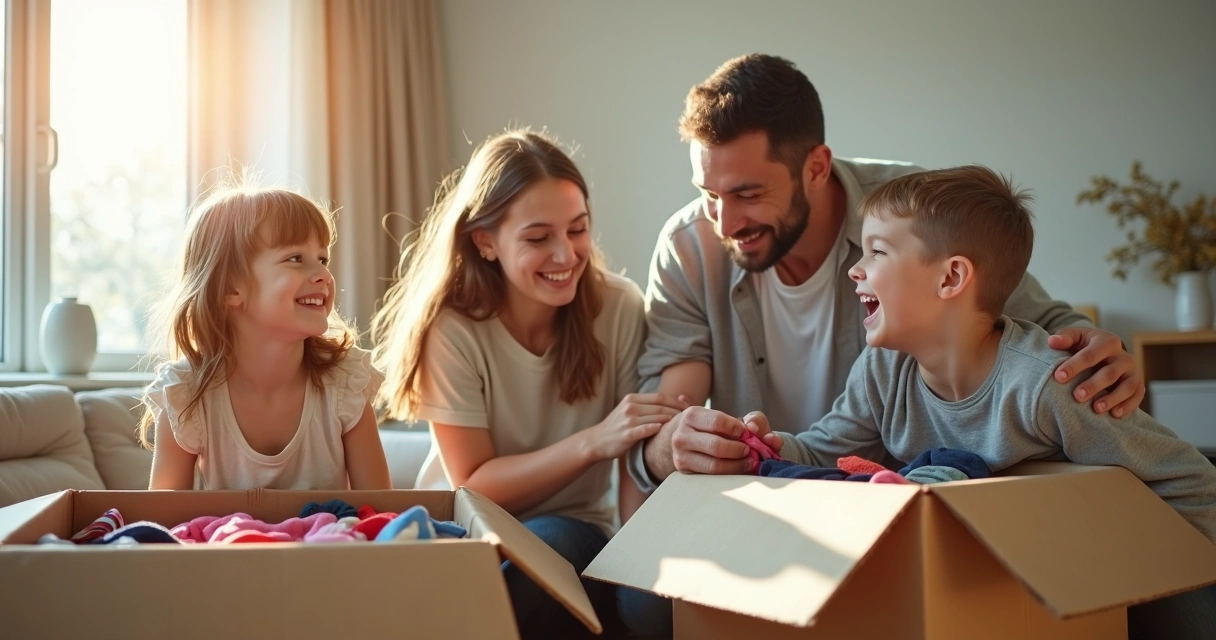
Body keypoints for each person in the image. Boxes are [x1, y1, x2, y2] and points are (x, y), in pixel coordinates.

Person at [673, 164, 1216, 640]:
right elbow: (819, 452)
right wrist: (760, 446)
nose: (854, 269)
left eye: (877, 252)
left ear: (951, 277)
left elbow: (1185, 477)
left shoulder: (1045, 385)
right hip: (989, 584)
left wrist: (1171, 572)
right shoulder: (885, 371)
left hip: (1100, 572)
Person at [628, 53, 1146, 492]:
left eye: (748, 193)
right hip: (788, 500)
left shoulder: (906, 215)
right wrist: (678, 446)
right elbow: (665, 417)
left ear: (816, 167)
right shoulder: (688, 248)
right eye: (708, 194)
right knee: (644, 611)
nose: (724, 221)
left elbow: (1032, 319)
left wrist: (1101, 358)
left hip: (899, 505)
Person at [370, 129, 685, 639]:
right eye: (539, 238)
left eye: (578, 229)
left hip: (578, 530)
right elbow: (473, 483)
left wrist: (640, 562)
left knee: (616, 583)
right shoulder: (452, 328)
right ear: (485, 242)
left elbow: (634, 464)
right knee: (547, 550)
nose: (566, 255)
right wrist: (591, 442)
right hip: (470, 528)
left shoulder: (619, 308)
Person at [140, 186, 392, 491]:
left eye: (322, 259)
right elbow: (163, 524)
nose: (324, 275)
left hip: (330, 540)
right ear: (230, 288)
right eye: (296, 258)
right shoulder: (187, 395)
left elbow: (380, 514)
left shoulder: (345, 383)